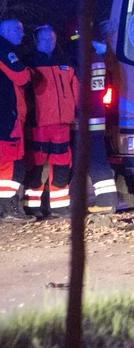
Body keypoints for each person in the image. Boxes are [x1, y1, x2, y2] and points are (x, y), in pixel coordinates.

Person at [23, 25, 78, 218]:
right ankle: (31, 205)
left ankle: (59, 206)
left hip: (62, 124)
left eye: (52, 39)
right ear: (36, 40)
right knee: (35, 165)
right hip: (38, 123)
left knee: (62, 165)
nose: (49, 42)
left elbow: (76, 89)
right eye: (45, 39)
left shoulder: (66, 62)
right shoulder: (28, 61)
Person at [82, 21, 119, 213]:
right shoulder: (99, 56)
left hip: (88, 116)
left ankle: (106, 202)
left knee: (95, 159)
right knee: (96, 157)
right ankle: (107, 200)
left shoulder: (88, 57)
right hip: (97, 115)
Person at [0, 19, 33, 221]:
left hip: (6, 115)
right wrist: (30, 72)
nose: (22, 34)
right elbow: (22, 77)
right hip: (6, 117)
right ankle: (9, 209)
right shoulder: (5, 49)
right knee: (12, 164)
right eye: (18, 30)